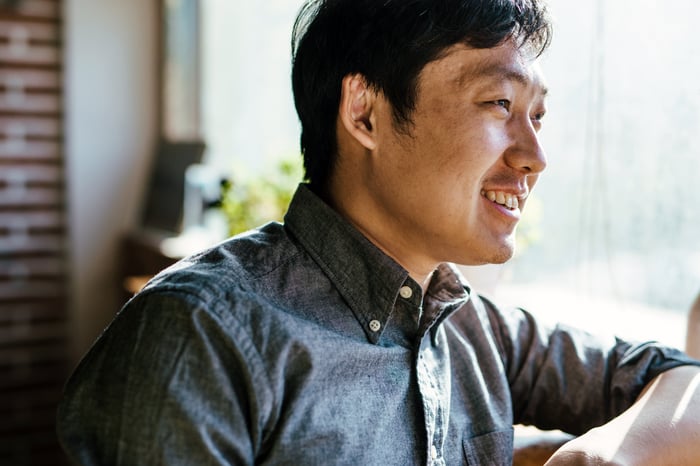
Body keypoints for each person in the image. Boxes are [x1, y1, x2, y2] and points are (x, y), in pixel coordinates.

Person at [58, 0, 700, 464]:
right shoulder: (198, 340)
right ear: (365, 111)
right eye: (500, 104)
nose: (536, 154)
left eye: (538, 115)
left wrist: (604, 457)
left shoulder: (477, 330)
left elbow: (685, 379)